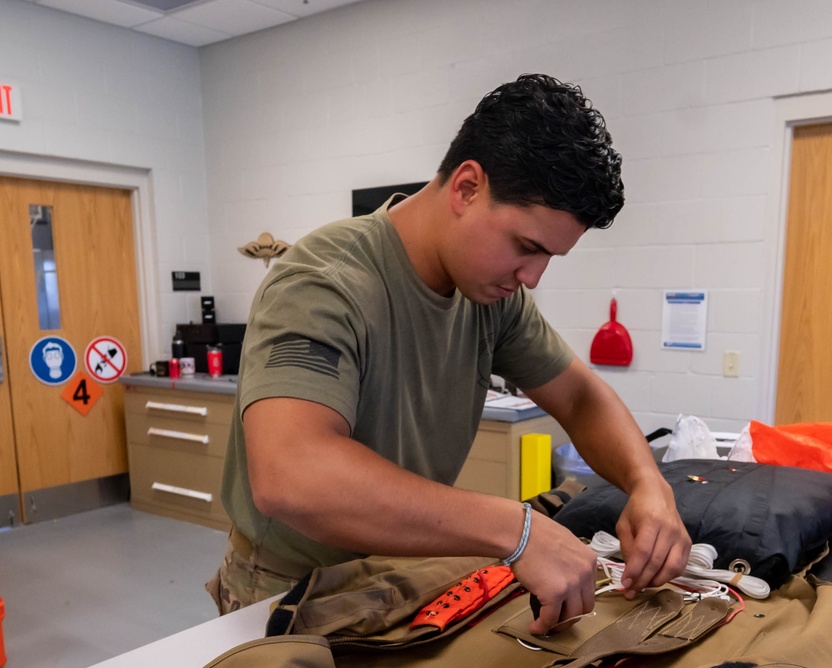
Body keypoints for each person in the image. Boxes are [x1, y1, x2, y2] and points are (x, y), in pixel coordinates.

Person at [209, 73, 691, 634]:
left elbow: (581, 397)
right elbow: (291, 472)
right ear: (466, 187)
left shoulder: (489, 295)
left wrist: (648, 484)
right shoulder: (324, 281)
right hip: (288, 588)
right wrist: (517, 528)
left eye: (549, 257)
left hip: (398, 568)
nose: (532, 276)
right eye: (526, 246)